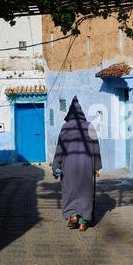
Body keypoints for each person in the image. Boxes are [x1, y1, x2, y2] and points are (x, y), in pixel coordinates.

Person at [52, 96, 102, 231]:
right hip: (86, 166)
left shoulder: (65, 127)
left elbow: (60, 148)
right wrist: (97, 166)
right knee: (85, 192)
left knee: (70, 190)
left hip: (69, 166)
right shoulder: (90, 126)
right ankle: (82, 222)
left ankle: (73, 215)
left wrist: (56, 166)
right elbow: (95, 147)